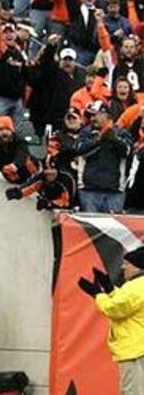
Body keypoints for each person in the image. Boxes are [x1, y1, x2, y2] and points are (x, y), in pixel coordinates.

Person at [77, 246, 144, 395]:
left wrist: (97, 294)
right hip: (139, 348)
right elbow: (127, 302)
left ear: (138, 266)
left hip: (134, 350)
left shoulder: (135, 287)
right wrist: (110, 289)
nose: (123, 267)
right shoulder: (138, 286)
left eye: (127, 263)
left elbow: (115, 309)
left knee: (132, 392)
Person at [74, 101, 133, 213]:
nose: (92, 118)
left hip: (115, 190)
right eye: (90, 115)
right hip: (89, 189)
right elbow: (78, 149)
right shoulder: (86, 132)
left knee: (114, 229)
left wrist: (114, 139)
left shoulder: (121, 132)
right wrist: (97, 140)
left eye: (94, 115)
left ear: (105, 114)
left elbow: (128, 151)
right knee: (90, 228)